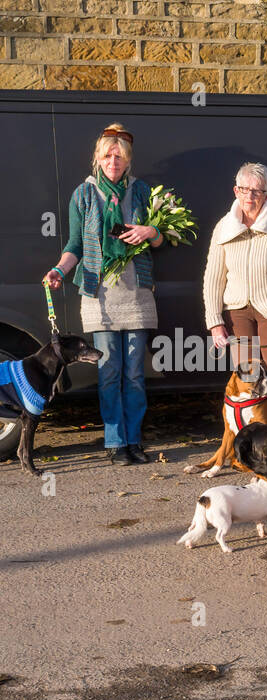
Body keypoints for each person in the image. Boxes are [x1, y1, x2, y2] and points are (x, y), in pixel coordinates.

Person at [44, 123, 165, 465]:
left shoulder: (141, 192)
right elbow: (74, 245)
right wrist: (59, 271)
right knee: (109, 371)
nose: (114, 161)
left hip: (137, 295)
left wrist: (150, 230)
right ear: (97, 158)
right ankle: (115, 444)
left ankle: (134, 440)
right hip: (101, 299)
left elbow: (159, 240)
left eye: (120, 156)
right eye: (108, 155)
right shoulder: (83, 195)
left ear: (128, 161)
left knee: (134, 375)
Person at [202, 161, 267, 399]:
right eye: (244, 189)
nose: (250, 196)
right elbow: (213, 278)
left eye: (257, 191)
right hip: (237, 311)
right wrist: (215, 321)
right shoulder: (224, 228)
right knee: (249, 377)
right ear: (235, 191)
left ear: (266, 195)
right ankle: (254, 429)